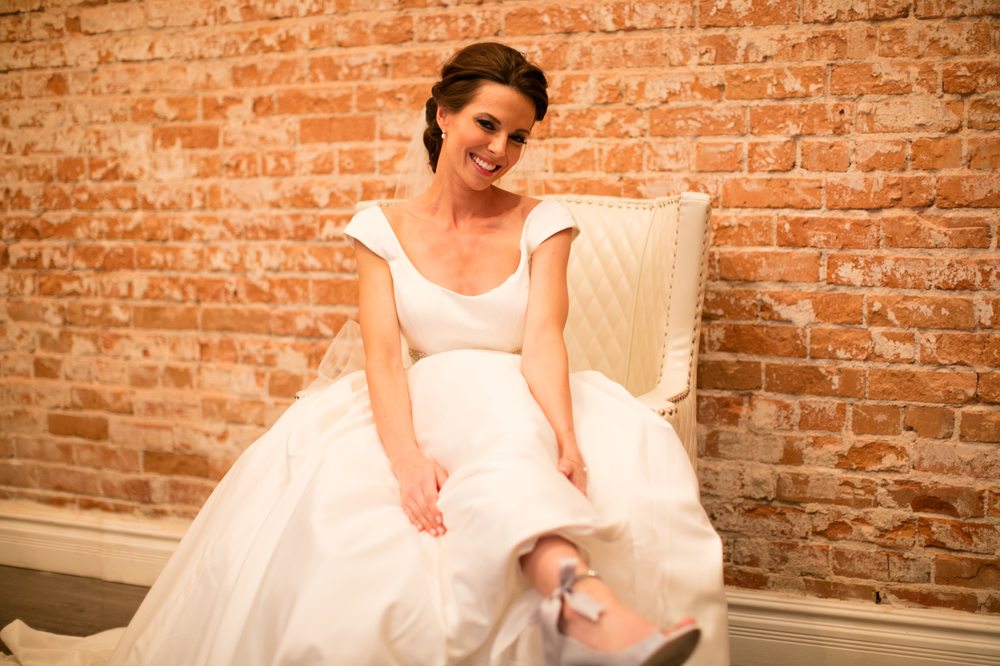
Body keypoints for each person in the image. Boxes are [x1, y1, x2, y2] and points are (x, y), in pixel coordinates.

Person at [1, 42, 729, 666]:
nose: (500, 151)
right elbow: (382, 356)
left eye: (518, 137)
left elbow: (542, 341)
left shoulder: (546, 223)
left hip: (520, 399)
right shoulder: (379, 228)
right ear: (443, 116)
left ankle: (581, 605)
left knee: (514, 431)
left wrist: (567, 440)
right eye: (487, 124)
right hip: (426, 400)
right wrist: (407, 461)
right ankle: (584, 609)